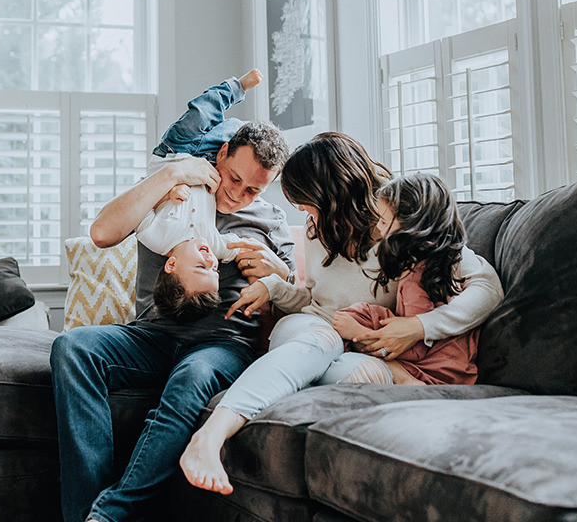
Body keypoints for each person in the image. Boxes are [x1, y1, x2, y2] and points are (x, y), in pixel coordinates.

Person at [180, 132, 504, 495]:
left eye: (306, 201)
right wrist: (274, 287)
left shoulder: (398, 222)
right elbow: (312, 300)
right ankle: (210, 436)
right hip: (312, 328)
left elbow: (488, 288)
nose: (303, 212)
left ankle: (270, 393)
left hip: (359, 348)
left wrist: (418, 327)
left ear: (331, 194)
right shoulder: (314, 228)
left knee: (354, 373)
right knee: (322, 340)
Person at [50, 70, 296, 522]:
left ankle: (109, 514)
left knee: (190, 379)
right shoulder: (175, 189)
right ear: (221, 154)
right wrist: (174, 172)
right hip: (152, 334)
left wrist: (278, 271)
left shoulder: (271, 220)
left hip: (223, 344)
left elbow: (299, 294)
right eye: (234, 177)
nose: (238, 195)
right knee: (71, 348)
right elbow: (103, 232)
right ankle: (85, 514)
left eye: (254, 189)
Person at [330, 172, 480, 386]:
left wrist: (359, 333)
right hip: (457, 366)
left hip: (437, 371)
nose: (378, 229)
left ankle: (405, 379)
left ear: (409, 224)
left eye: (383, 221)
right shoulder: (441, 264)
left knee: (358, 321)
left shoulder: (415, 278)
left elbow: (415, 349)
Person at [140, 69, 264, 322]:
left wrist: (167, 195)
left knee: (202, 111)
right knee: (239, 131)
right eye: (215, 269)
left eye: (201, 266)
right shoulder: (214, 245)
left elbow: (139, 202)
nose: (210, 259)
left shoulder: (155, 237)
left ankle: (237, 87)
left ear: (171, 265)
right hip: (207, 160)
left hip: (175, 151)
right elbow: (241, 248)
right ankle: (239, 126)